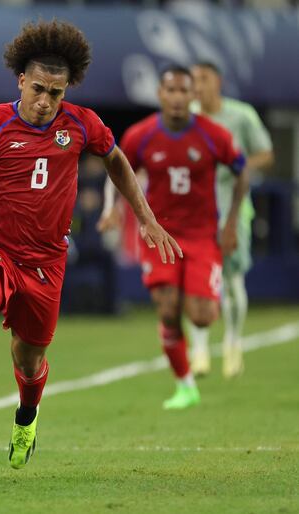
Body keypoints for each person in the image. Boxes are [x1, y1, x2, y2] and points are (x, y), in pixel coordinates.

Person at [0, 20, 181, 469]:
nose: (45, 101)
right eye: (38, 88)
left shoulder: (82, 125)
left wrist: (146, 217)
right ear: (21, 79)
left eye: (55, 93)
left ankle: (26, 418)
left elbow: (115, 159)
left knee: (29, 358)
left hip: (46, 260)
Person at [99, 66, 249, 410]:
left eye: (184, 91)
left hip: (201, 236)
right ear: (160, 95)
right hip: (159, 234)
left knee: (201, 316)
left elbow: (241, 172)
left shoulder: (213, 134)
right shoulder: (142, 135)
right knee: (167, 311)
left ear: (193, 95)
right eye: (171, 90)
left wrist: (231, 223)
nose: (178, 97)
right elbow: (118, 169)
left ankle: (201, 293)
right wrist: (113, 208)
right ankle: (185, 386)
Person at [188, 62, 274, 378]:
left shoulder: (241, 116)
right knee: (195, 283)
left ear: (217, 81)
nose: (197, 85)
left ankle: (233, 341)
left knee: (232, 281)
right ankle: (198, 350)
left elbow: (266, 153)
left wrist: (237, 164)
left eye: (203, 78)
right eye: (193, 79)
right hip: (194, 211)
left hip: (233, 210)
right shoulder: (187, 118)